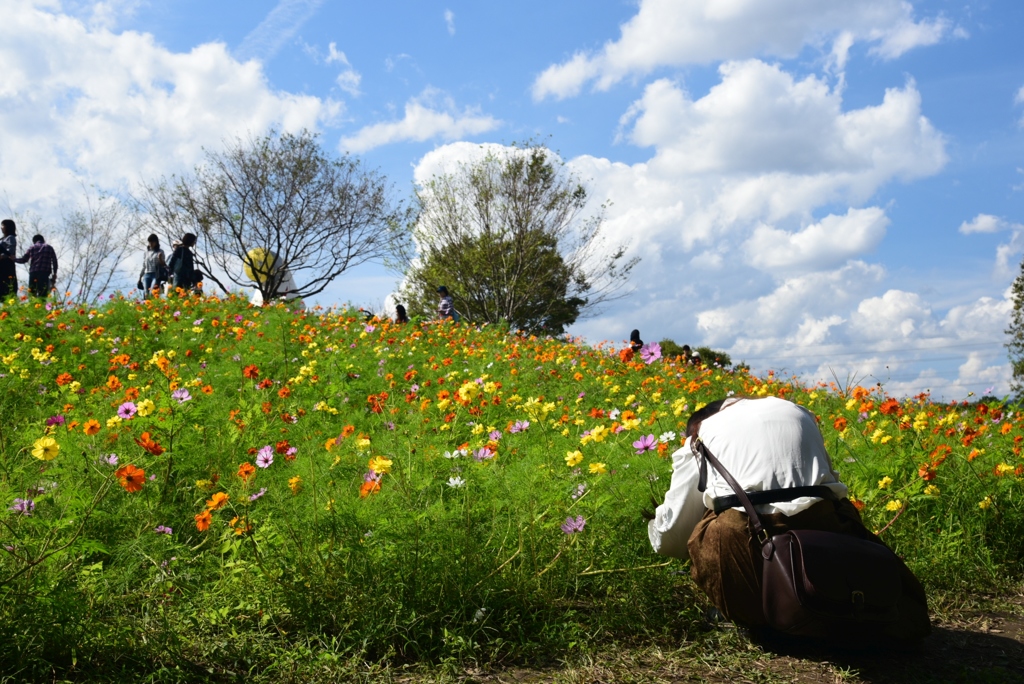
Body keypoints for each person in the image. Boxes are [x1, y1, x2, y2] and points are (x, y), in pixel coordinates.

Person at [648, 396, 930, 641]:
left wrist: (656, 529)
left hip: (744, 543)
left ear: (696, 426)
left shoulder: (704, 431)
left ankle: (751, 614)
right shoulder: (798, 411)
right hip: (825, 538)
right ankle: (836, 605)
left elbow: (673, 535)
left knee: (716, 522)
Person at [15, 234, 58, 298]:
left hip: (33, 273)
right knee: (42, 295)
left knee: (32, 294)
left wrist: (14, 259)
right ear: (43, 240)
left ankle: (32, 304)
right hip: (44, 274)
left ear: (34, 241)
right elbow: (55, 262)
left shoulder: (32, 247)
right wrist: (54, 274)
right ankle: (41, 303)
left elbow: (24, 260)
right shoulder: (49, 247)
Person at [137, 234, 167, 299]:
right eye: (149, 242)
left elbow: (163, 265)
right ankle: (146, 304)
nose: (151, 243)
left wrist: (160, 258)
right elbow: (144, 265)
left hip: (156, 274)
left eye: (153, 242)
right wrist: (140, 277)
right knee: (146, 293)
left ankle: (153, 304)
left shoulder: (160, 251)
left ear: (156, 242)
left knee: (153, 292)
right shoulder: (146, 252)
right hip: (147, 274)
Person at [0, 219, 18, 299]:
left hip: (6, 265)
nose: (1, 227)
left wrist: (2, 256)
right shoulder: (2, 239)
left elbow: (10, 251)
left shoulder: (10, 238)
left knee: (7, 287)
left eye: (3, 225)